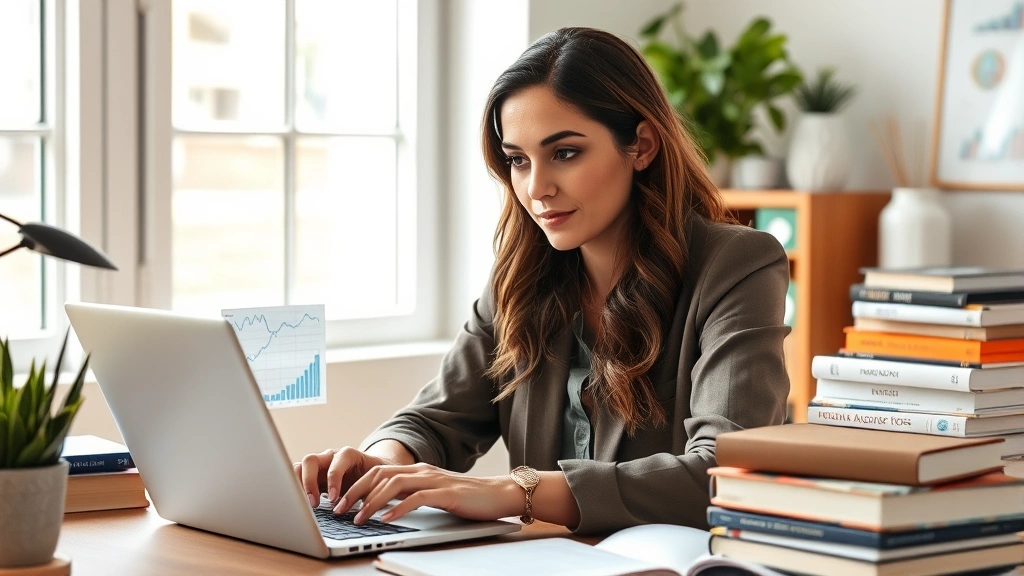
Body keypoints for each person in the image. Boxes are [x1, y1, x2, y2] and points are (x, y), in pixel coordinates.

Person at [295, 27, 790, 535]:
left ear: (640, 146)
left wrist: (515, 491)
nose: (537, 188)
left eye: (566, 153)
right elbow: (434, 420)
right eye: (518, 160)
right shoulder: (520, 276)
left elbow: (723, 472)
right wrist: (378, 465)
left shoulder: (736, 265)